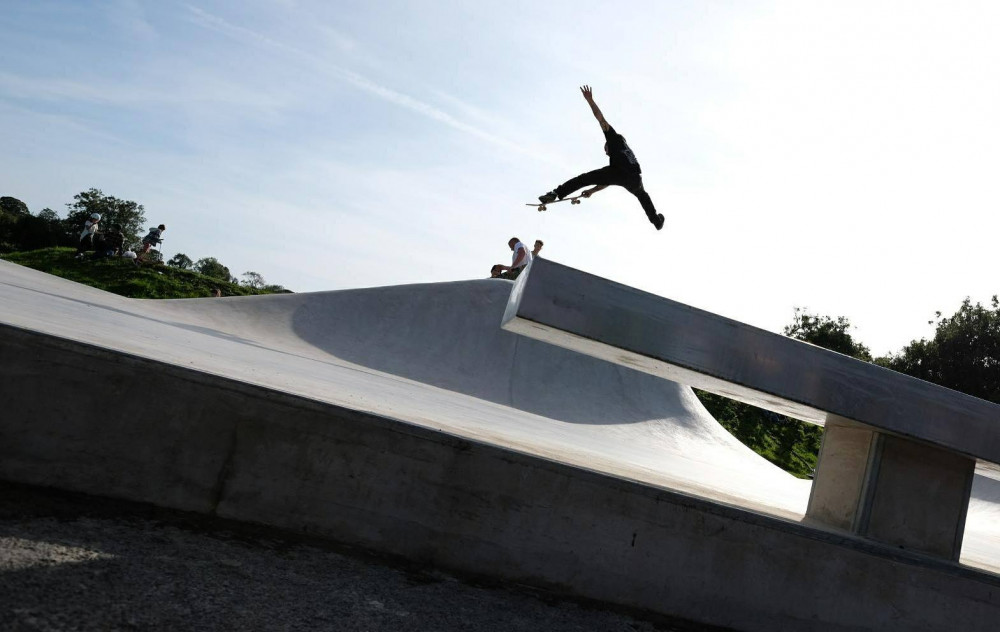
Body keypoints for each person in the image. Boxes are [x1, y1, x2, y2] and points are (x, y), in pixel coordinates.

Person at [538, 86, 664, 231]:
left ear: (608, 145)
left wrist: (590, 100)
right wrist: (592, 191)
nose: (606, 153)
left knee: (583, 178)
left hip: (619, 172)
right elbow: (607, 180)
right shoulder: (626, 150)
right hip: (635, 179)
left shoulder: (613, 138)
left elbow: (600, 118)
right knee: (643, 196)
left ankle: (555, 193)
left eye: (606, 150)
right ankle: (656, 221)